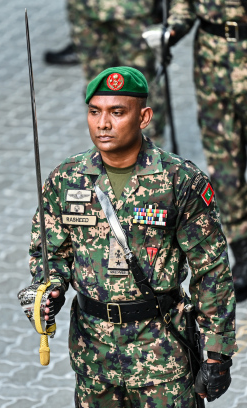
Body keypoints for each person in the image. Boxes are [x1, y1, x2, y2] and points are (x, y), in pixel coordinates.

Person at [28, 67, 237, 407]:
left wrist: (218, 351)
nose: (103, 124)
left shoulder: (179, 181)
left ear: (144, 117)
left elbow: (211, 269)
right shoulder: (66, 179)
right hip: (93, 355)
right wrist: (47, 291)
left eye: (117, 112)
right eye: (95, 112)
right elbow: (48, 253)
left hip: (163, 356)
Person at [164, 0, 247, 302]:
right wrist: (171, 31)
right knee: (224, 166)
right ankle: (242, 253)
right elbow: (183, 6)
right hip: (214, 67)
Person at [65, 0, 165, 145]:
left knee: (139, 83)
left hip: (133, 10)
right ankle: (106, 149)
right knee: (96, 84)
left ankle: (150, 150)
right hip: (85, 10)